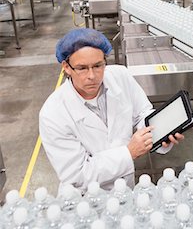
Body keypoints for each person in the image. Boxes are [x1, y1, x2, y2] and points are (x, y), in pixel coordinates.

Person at [39, 28, 184, 192]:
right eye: (82, 68)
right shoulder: (53, 114)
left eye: (98, 65)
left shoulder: (120, 77)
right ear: (66, 67)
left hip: (126, 188)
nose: (92, 75)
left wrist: (159, 134)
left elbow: (142, 113)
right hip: (87, 198)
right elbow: (78, 175)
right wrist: (129, 153)